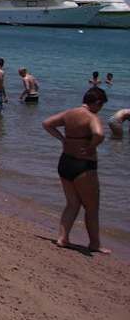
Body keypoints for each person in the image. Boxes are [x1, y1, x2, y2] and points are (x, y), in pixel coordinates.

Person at [42, 87, 110, 254]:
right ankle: (94, 244)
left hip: (65, 162)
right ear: (97, 103)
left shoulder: (69, 113)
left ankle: (63, 238)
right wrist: (91, 147)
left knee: (72, 203)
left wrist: (62, 139)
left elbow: (47, 123)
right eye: (101, 106)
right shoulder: (92, 116)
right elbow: (99, 134)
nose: (100, 109)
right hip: (83, 165)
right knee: (92, 207)